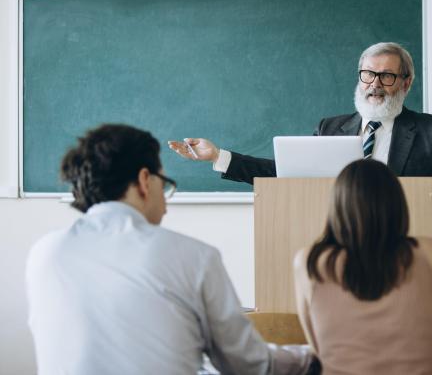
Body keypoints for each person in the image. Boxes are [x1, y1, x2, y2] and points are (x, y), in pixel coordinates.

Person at [26, 124, 313, 375]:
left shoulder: (44, 252)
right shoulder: (194, 257)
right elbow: (250, 365)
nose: (165, 204)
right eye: (164, 184)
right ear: (143, 181)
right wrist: (314, 357)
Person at [168, 41, 432, 190]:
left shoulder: (430, 130)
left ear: (405, 83)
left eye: (387, 76)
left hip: (411, 249)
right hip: (340, 250)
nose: (375, 84)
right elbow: (285, 173)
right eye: (368, 74)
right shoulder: (330, 128)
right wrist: (219, 156)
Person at [293, 159, 432, 374]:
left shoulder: (309, 263)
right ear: (397, 205)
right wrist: (427, 349)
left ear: (336, 207)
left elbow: (322, 352)